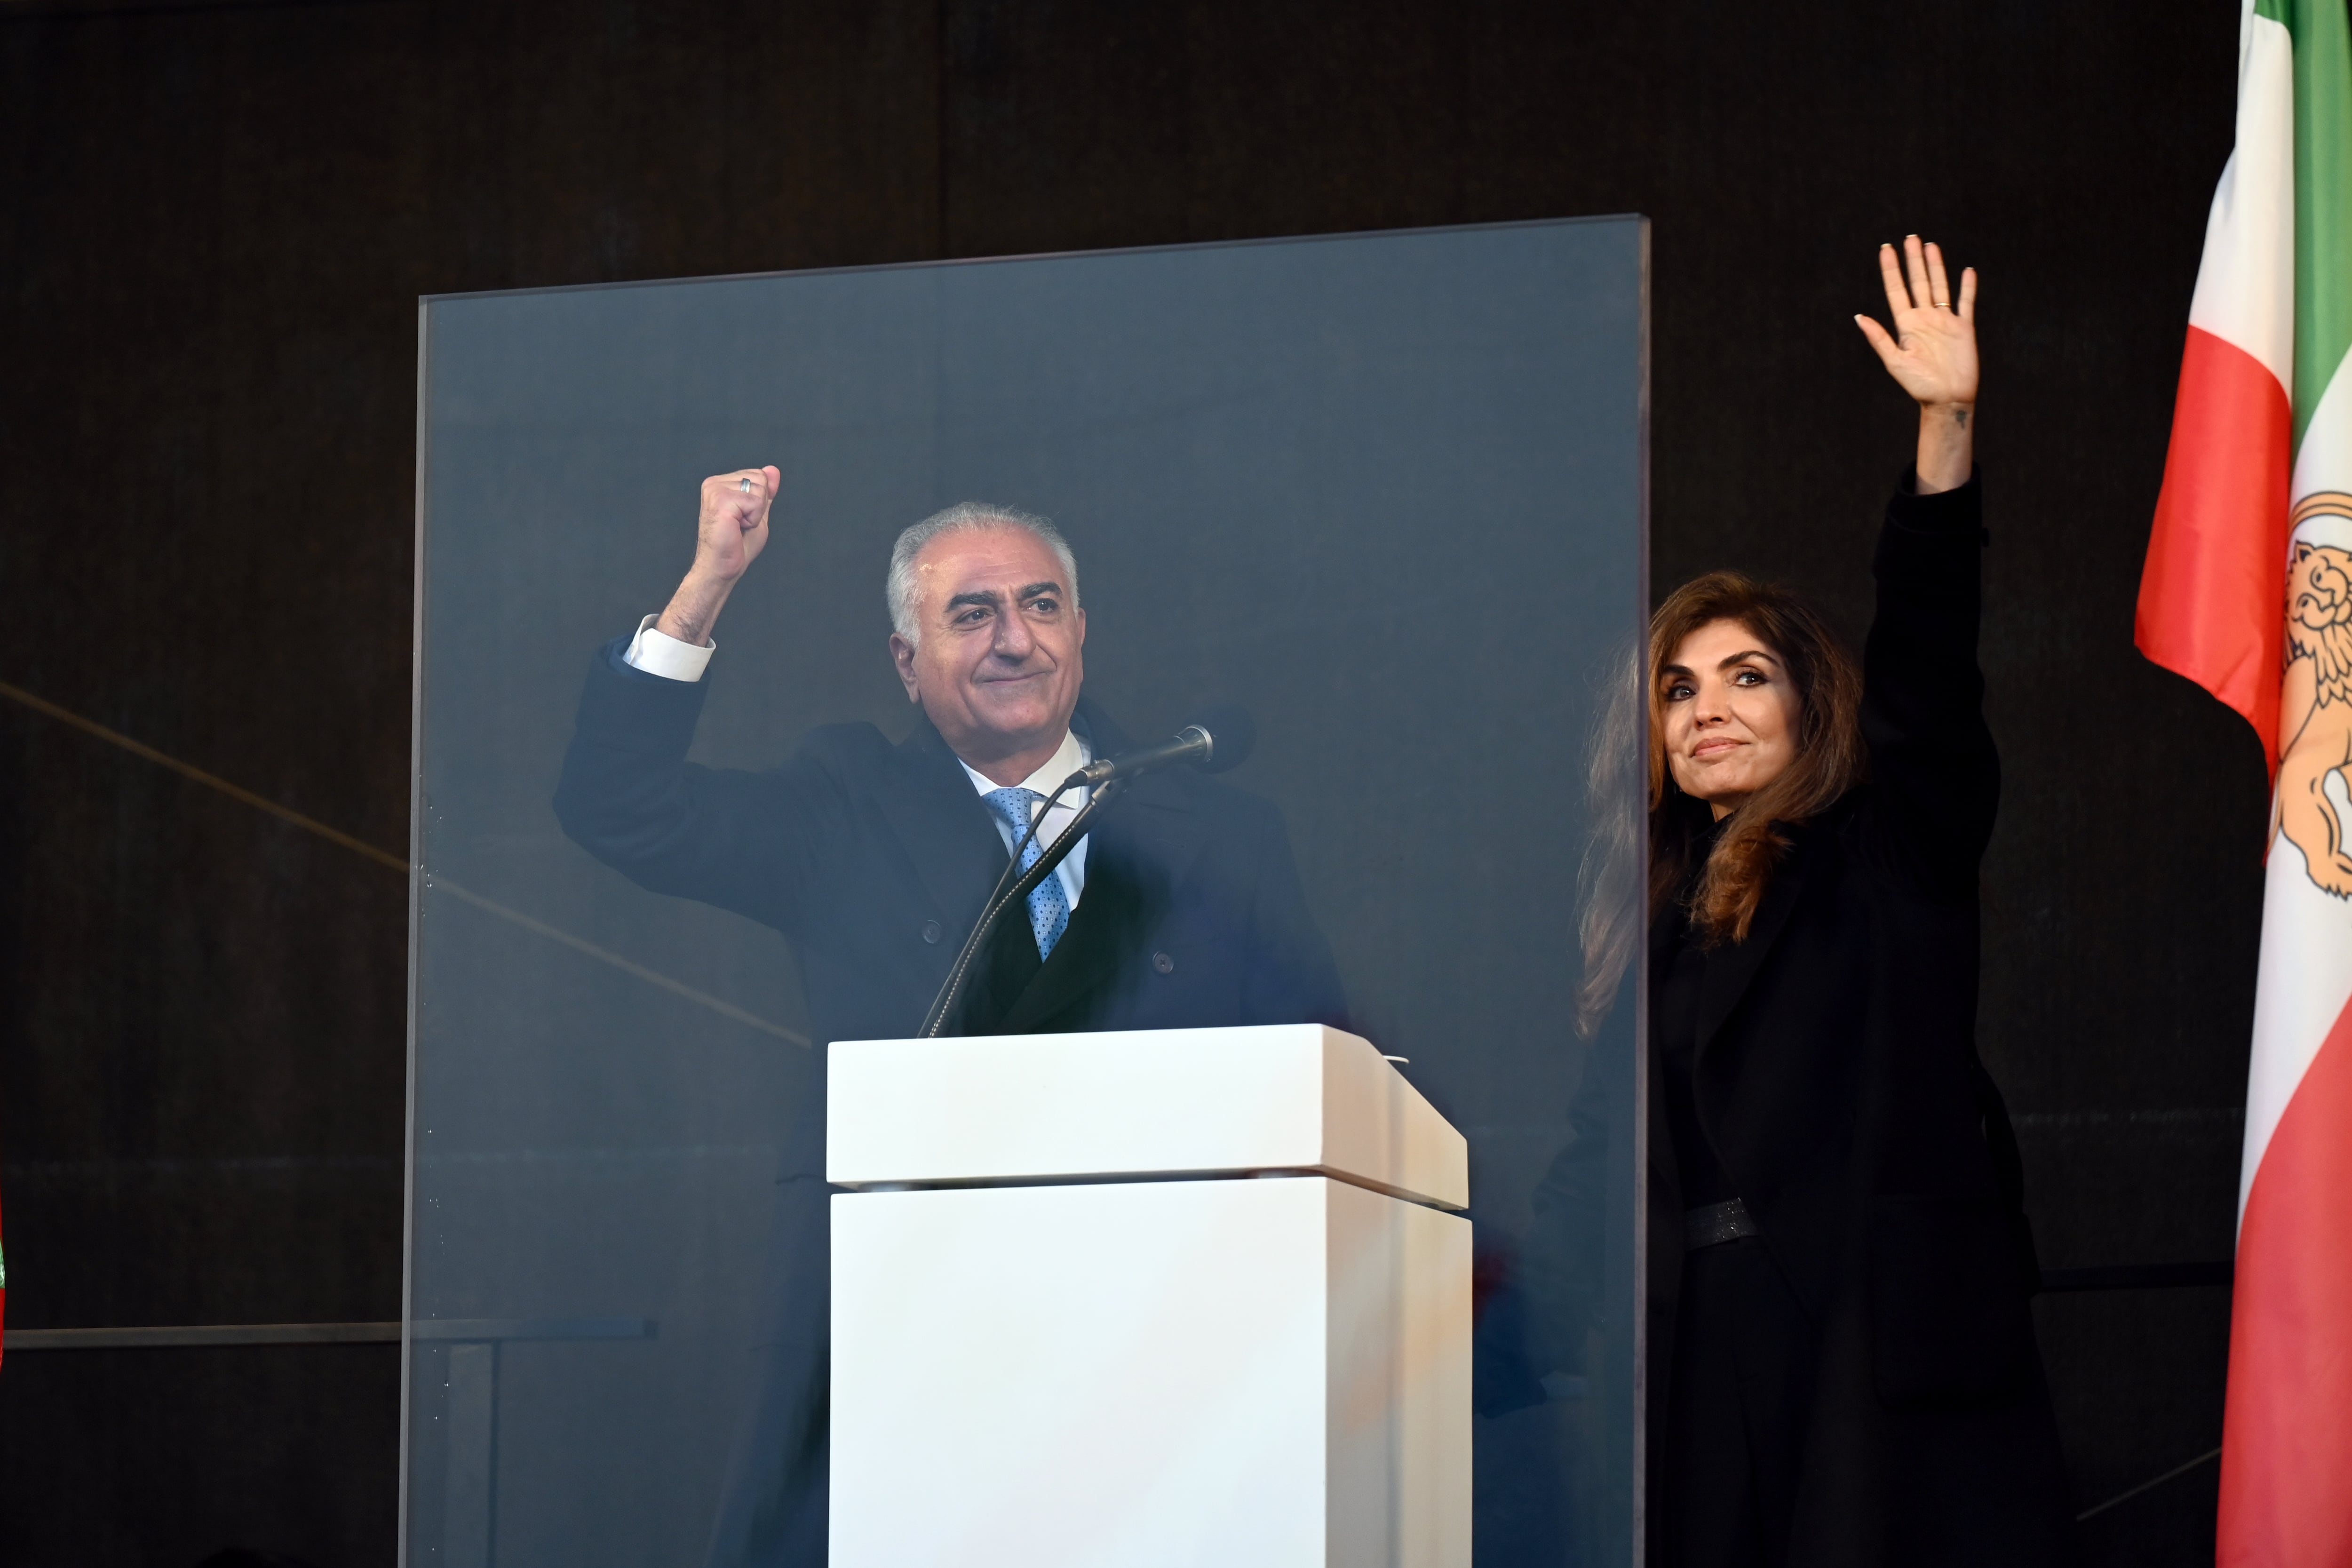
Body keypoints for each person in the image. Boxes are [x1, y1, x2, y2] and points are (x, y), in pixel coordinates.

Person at [553, 492, 1346, 1567]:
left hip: (1151, 1331)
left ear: (1079, 630)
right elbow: (621, 808)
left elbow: (1319, 1076)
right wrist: (706, 589)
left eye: (1040, 604)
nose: (1014, 637)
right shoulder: (844, 802)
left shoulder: (1216, 827)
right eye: (971, 613)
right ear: (905, 658)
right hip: (898, 1316)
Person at [1532, 235, 2075, 1567]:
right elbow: (1596, 1169)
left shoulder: (1892, 850)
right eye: (1678, 686)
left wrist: (1944, 429)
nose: (1708, 706)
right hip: (1702, 1358)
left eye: (1746, 676)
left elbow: (1930, 673)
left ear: (1809, 703)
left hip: (1868, 1358)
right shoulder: (1651, 923)